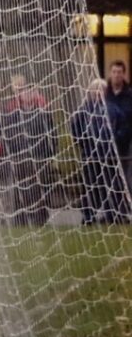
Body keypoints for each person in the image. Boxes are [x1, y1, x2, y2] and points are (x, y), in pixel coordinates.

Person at [71, 78, 130, 224]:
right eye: (95, 89)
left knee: (111, 185)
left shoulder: (113, 109)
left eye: (100, 90)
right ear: (91, 92)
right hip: (90, 156)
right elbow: (75, 130)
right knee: (90, 186)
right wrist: (85, 143)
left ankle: (112, 214)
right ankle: (89, 215)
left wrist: (115, 141)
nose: (98, 93)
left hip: (109, 156)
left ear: (105, 92)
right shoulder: (83, 111)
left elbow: (124, 128)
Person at [4, 81, 56, 226]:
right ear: (20, 94)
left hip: (39, 157)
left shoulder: (43, 112)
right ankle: (20, 219)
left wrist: (49, 155)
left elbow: (51, 134)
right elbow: (8, 134)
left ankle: (40, 219)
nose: (28, 94)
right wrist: (15, 152)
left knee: (39, 189)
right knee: (20, 189)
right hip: (19, 158)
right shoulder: (13, 114)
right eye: (26, 91)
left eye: (32, 91)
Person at [106, 60, 132, 189]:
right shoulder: (104, 94)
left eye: (119, 72)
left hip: (125, 144)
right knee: (108, 176)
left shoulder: (129, 95)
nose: (116, 75)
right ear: (110, 74)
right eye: (114, 72)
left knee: (124, 177)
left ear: (124, 74)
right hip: (106, 143)